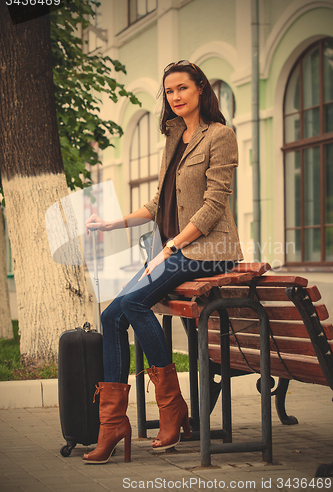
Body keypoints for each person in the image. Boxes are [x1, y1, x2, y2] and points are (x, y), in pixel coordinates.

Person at [83, 60, 243, 464]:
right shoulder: (174, 136)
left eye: (182, 88)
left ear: (201, 90)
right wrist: (112, 224)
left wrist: (170, 247)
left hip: (208, 251)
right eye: (169, 91)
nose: (175, 97)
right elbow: (159, 203)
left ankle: (172, 408)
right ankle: (113, 425)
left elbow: (213, 205)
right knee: (111, 317)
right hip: (176, 250)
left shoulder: (220, 136)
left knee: (134, 302)